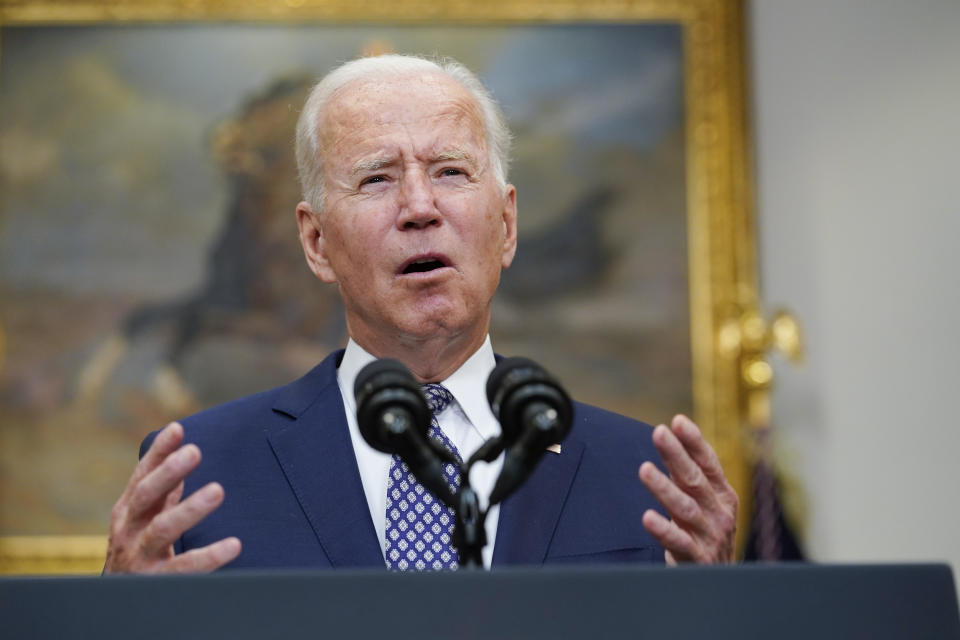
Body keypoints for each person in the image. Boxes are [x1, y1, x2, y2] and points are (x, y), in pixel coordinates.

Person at [103, 54, 737, 573]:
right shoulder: (200, 472)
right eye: (377, 179)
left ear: (507, 225)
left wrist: (715, 608)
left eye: (451, 172)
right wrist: (117, 616)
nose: (420, 207)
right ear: (316, 243)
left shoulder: (643, 478)